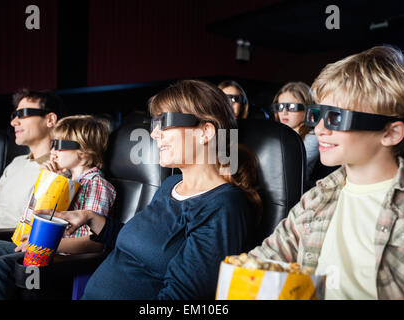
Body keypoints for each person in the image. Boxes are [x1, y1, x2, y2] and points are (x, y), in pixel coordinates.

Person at [46, 79, 262, 299]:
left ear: (205, 132)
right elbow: (145, 244)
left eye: (165, 122)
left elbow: (183, 298)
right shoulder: (171, 185)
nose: (154, 134)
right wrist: (90, 217)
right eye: (155, 124)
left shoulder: (223, 206)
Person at [249, 46, 404, 299]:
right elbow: (263, 260)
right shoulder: (316, 199)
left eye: (336, 118)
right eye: (317, 115)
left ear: (390, 133)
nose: (320, 129)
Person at [0, 115, 116, 299]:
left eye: (60, 145)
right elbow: (32, 218)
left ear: (85, 152)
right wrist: (49, 183)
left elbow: (94, 244)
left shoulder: (96, 185)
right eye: (53, 144)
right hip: (34, 247)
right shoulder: (64, 181)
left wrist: (42, 245)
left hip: (58, 257)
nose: (53, 151)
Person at [0, 88, 65, 229]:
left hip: (5, 239)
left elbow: (35, 226)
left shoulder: (59, 170)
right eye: (14, 115)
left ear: (50, 120)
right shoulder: (16, 163)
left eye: (22, 114)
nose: (14, 122)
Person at [272, 82, 320, 181]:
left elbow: (288, 165)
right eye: (280, 107)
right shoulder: (276, 133)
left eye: (291, 107)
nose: (284, 113)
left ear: (307, 108)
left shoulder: (314, 137)